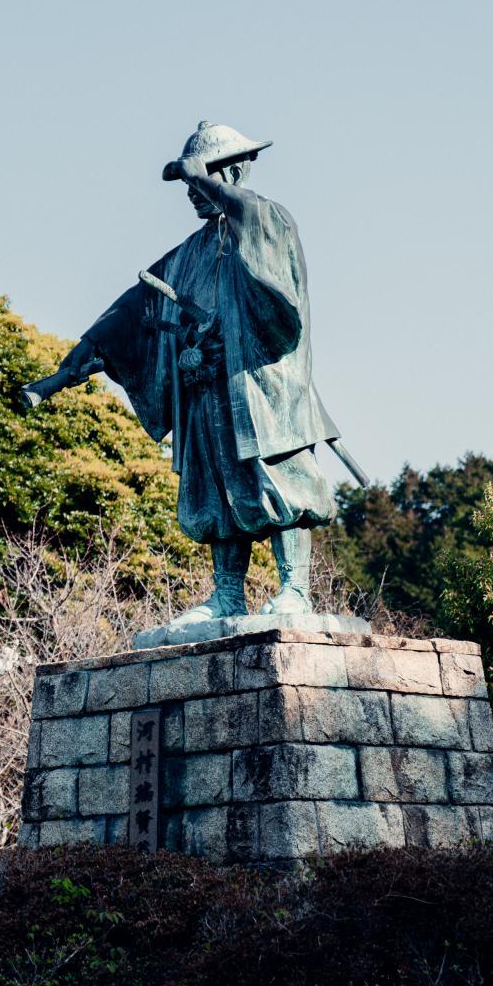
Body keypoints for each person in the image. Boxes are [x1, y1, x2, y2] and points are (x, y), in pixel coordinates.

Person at [23, 121, 341, 625]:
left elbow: (262, 242)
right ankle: (227, 595)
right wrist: (63, 373)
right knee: (215, 489)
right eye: (188, 186)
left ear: (232, 171)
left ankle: (295, 589)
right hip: (206, 389)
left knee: (279, 482)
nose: (192, 194)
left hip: (261, 388)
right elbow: (128, 314)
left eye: (200, 181)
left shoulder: (267, 219)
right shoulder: (189, 254)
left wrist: (208, 182)